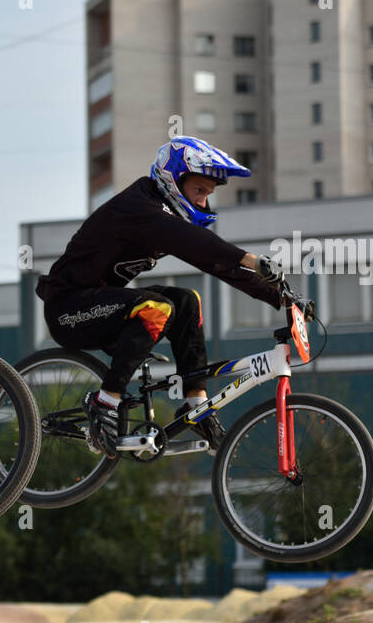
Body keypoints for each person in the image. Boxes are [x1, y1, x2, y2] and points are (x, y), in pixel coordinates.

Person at [35, 136, 287, 458]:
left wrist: (279, 296)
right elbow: (202, 245)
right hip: (68, 308)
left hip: (101, 303)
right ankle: (105, 402)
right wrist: (253, 260)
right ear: (173, 179)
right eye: (198, 191)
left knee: (187, 301)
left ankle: (196, 406)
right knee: (158, 308)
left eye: (208, 195)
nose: (202, 203)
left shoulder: (165, 216)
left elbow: (212, 261)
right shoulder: (141, 207)